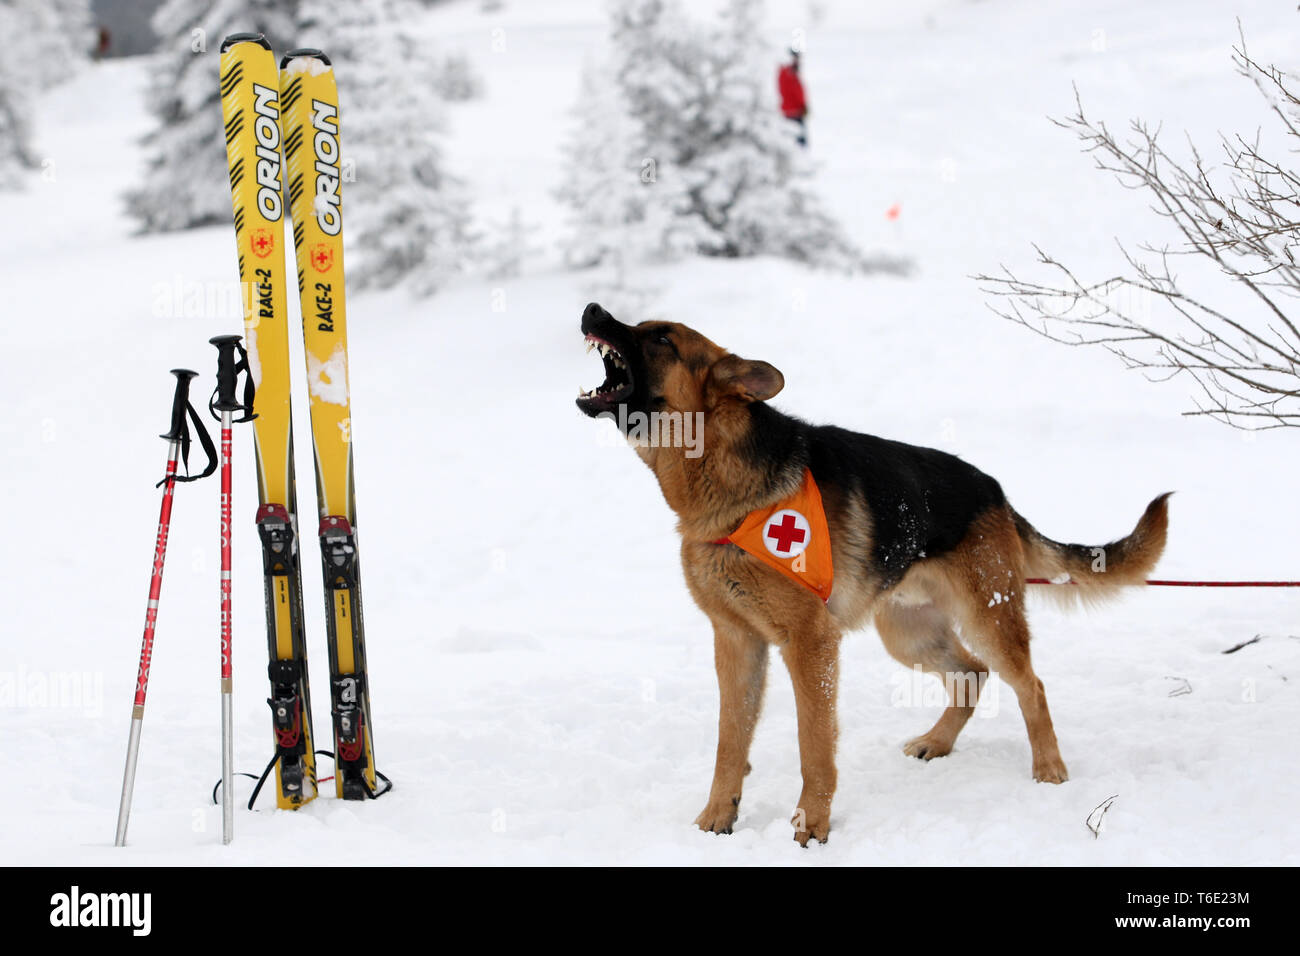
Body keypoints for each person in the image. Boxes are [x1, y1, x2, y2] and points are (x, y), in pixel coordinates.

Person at [777, 49, 808, 147]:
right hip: (794, 111)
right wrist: (803, 105)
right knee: (798, 142)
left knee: (791, 140)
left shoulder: (785, 71)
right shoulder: (789, 72)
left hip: (790, 110)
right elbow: (795, 91)